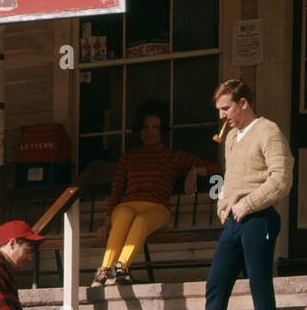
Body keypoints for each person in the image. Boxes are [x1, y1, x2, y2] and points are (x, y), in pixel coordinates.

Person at [175, 79, 293, 310]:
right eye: (219, 109)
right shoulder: (231, 138)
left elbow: (281, 180)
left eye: (226, 108)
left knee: (259, 282)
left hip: (260, 217)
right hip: (234, 220)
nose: (222, 116)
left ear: (243, 103)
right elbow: (229, 179)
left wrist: (247, 204)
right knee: (216, 282)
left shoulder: (269, 132)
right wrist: (223, 206)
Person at [93, 102, 220, 286]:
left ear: (162, 131)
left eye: (155, 127)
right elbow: (116, 189)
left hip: (157, 208)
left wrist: (195, 171)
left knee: (141, 220)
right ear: (139, 129)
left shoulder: (173, 157)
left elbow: (217, 168)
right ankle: (104, 270)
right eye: (145, 127)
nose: (150, 132)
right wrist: (106, 221)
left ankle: (121, 268)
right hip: (127, 205)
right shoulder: (128, 157)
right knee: (124, 213)